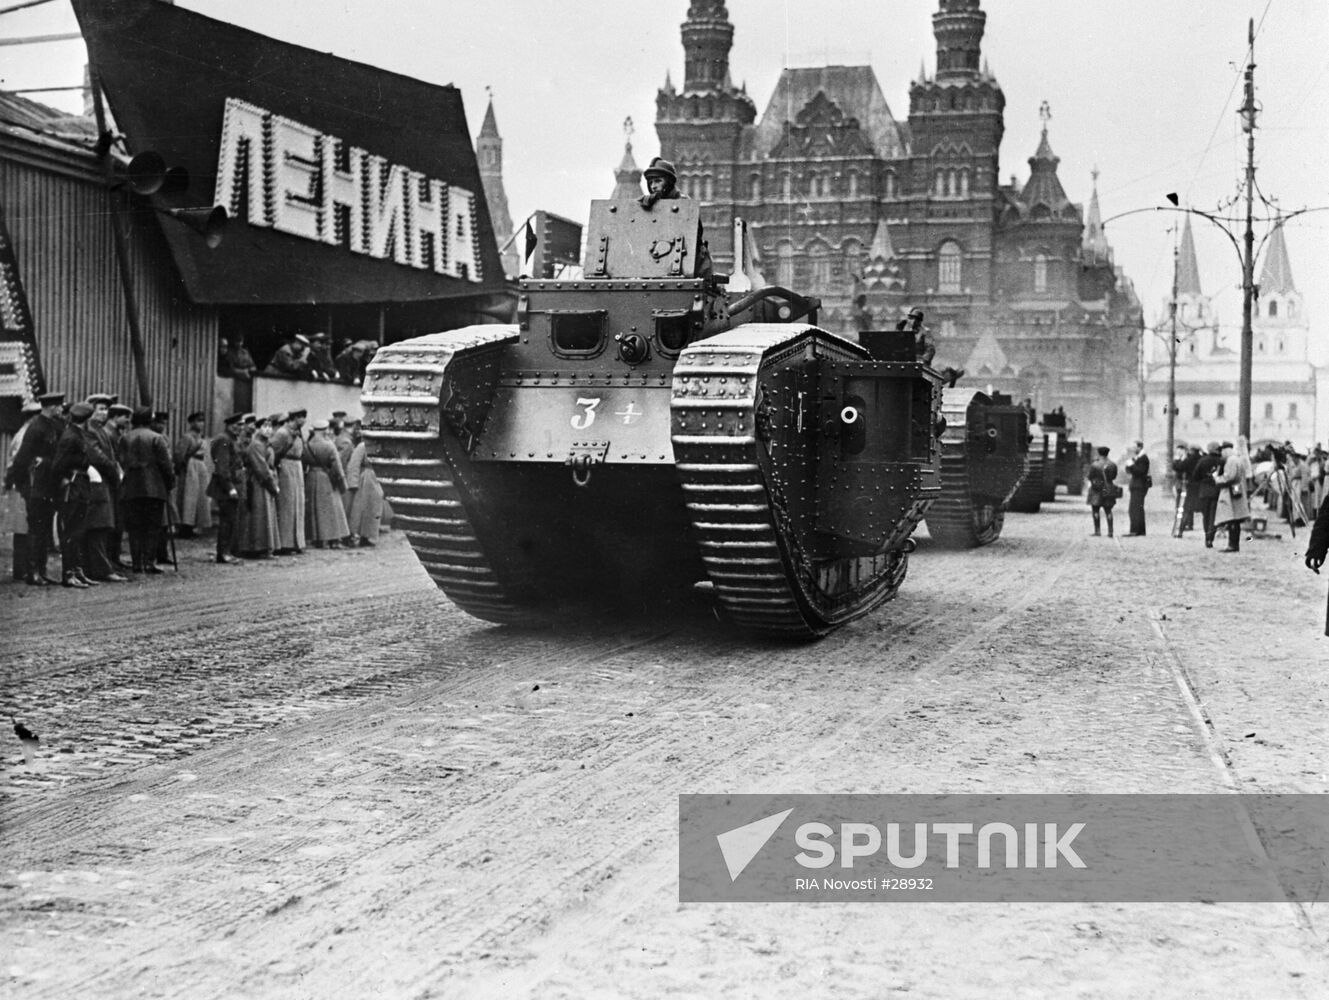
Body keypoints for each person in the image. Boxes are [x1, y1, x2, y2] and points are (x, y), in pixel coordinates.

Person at [3, 391, 65, 585]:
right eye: (59, 406)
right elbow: (22, 459)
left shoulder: (52, 426)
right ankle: (34, 572)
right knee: (36, 529)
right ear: (51, 407)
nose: (61, 409)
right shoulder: (36, 428)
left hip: (47, 485)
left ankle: (42, 570)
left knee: (43, 529)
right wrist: (14, 481)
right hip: (35, 485)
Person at [120, 407, 175, 574]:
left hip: (131, 487)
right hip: (154, 488)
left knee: (135, 527)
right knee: (152, 527)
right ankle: (149, 562)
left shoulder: (125, 438)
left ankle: (137, 563)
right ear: (149, 420)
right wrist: (169, 482)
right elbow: (165, 465)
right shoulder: (157, 438)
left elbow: (121, 461)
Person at [51, 401, 98, 588]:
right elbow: (57, 465)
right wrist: (64, 480)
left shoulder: (76, 434)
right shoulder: (71, 437)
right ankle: (68, 574)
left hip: (80, 486)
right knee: (71, 531)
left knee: (78, 531)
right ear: (87, 419)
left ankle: (77, 571)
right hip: (72, 489)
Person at [304, 419, 350, 547]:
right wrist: (342, 483)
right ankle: (333, 538)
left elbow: (304, 463)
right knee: (331, 510)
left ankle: (317, 538)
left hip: (312, 477)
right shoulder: (329, 445)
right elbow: (337, 467)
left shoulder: (307, 445)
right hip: (326, 479)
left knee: (315, 509)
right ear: (325, 430)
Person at [239, 417, 280, 558]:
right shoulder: (256, 445)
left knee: (264, 513)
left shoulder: (265, 443)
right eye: (264, 426)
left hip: (265, 481)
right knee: (259, 513)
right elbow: (261, 468)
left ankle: (263, 546)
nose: (268, 429)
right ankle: (256, 546)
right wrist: (272, 485)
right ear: (258, 429)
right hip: (258, 483)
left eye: (270, 427)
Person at [207, 414, 245, 564]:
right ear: (229, 425)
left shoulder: (230, 439)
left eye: (241, 425)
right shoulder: (224, 440)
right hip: (225, 486)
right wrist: (230, 488)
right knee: (226, 520)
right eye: (237, 425)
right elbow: (222, 467)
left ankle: (226, 551)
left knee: (230, 519)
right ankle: (223, 553)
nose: (240, 428)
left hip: (232, 483)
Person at [270, 408, 307, 554]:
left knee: (298, 504)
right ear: (294, 418)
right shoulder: (282, 433)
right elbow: (273, 452)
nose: (304, 421)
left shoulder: (297, 433)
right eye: (301, 417)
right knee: (286, 505)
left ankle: (297, 542)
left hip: (297, 469)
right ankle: (284, 544)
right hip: (286, 468)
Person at [345, 422, 384, 547]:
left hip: (377, 479)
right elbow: (354, 464)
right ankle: (356, 535)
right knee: (360, 509)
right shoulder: (362, 446)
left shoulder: (381, 446)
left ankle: (369, 535)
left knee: (374, 509)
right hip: (365, 479)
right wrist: (353, 482)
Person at [174, 411, 212, 537]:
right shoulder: (187, 437)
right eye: (197, 421)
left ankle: (195, 524)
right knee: (188, 496)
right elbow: (179, 455)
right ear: (191, 423)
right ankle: (185, 527)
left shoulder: (200, 438)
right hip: (190, 466)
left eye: (202, 421)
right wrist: (181, 468)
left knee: (200, 497)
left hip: (200, 466)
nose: (201, 423)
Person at [1212, 440, 1252, 553]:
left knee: (1232, 519)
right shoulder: (1237, 460)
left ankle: (1232, 545)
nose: (1221, 454)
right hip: (1237, 491)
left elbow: (1229, 477)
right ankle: (1234, 544)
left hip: (1231, 493)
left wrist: (1217, 479)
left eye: (1222, 451)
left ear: (1226, 450)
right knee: (1235, 520)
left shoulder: (1231, 461)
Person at [1190, 441, 1225, 548]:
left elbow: (1195, 476)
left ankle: (1207, 537)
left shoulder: (1203, 460)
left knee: (1205, 516)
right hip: (1217, 491)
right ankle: (1211, 537)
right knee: (1213, 516)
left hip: (1204, 491)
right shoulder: (1221, 461)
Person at [1085, 445, 1119, 538]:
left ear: (1099, 453)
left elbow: (1089, 476)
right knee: (1108, 511)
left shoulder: (1095, 464)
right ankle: (1110, 531)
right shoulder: (1113, 464)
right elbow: (1114, 476)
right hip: (1108, 489)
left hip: (1096, 490)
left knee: (1095, 510)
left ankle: (1097, 531)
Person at [1123, 439, 1150, 536]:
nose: (1133, 449)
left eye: (1135, 447)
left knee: (1134, 509)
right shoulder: (1139, 457)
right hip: (1138, 485)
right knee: (1138, 508)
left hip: (1139, 486)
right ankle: (1140, 530)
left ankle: (1134, 530)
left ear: (1139, 447)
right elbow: (1130, 470)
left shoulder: (1143, 458)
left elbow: (1140, 472)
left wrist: (1132, 465)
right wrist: (1130, 465)